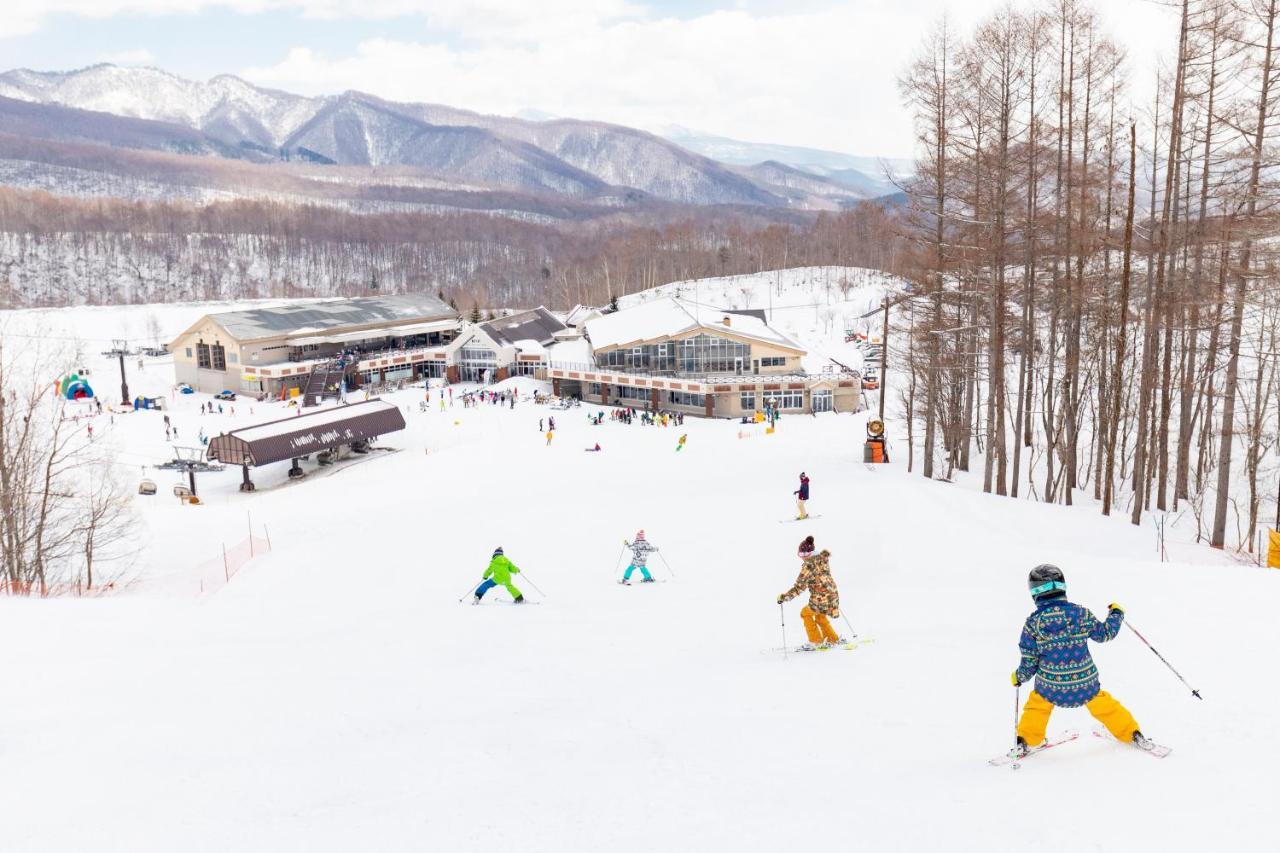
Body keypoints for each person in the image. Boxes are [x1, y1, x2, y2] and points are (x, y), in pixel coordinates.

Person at [1011, 565, 1151, 755]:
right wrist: (1116, 614)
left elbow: (1029, 660)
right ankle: (1131, 733)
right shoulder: (1080, 614)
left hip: (1050, 687)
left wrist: (1019, 676)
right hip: (1086, 684)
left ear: (1035, 593)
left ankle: (1026, 740)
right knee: (1105, 706)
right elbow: (1104, 634)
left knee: (1037, 706)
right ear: (1062, 587)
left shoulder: (1033, 623)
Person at [777, 536, 844, 649]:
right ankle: (833, 638)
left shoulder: (808, 565)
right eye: (800, 555)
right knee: (820, 615)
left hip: (821, 597)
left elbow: (799, 587)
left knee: (805, 613)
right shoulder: (823, 559)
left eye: (804, 555)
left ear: (810, 553)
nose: (802, 558)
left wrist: (785, 597)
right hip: (832, 595)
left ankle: (815, 641)